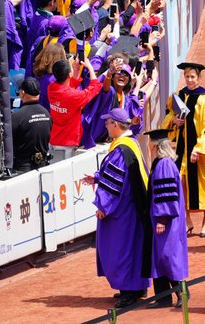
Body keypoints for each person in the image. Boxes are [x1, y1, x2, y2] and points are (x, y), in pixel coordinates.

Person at [81, 108, 151, 309]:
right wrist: (97, 177)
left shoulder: (121, 149)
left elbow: (115, 181)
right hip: (132, 207)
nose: (105, 126)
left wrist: (103, 206)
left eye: (108, 122)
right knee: (132, 247)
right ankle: (136, 287)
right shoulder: (131, 143)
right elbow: (119, 174)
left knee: (120, 249)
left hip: (121, 210)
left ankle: (129, 292)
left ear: (116, 125)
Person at [162, 62, 205, 237]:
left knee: (204, 185)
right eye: (187, 76)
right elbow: (169, 115)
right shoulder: (178, 96)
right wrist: (174, 121)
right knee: (182, 183)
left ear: (199, 77)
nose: (190, 80)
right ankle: (187, 220)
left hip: (199, 150)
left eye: (193, 76)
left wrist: (199, 148)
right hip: (181, 149)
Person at [144, 128, 188, 309]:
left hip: (167, 220)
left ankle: (182, 292)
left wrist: (162, 219)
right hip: (160, 218)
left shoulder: (164, 165)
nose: (149, 145)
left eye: (150, 142)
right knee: (159, 257)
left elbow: (167, 195)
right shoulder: (161, 162)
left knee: (168, 256)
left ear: (156, 145)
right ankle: (163, 298)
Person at [47, 57, 102, 160]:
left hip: (54, 139)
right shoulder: (73, 96)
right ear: (69, 74)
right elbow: (95, 87)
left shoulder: (51, 88)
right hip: (67, 143)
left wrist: (76, 69)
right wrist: (90, 68)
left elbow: (69, 85)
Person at [10, 78, 53, 173]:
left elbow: (5, 140)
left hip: (22, 169)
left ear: (22, 93)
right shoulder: (46, 113)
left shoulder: (17, 116)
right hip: (43, 167)